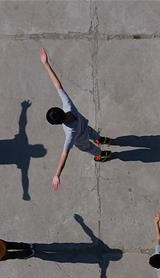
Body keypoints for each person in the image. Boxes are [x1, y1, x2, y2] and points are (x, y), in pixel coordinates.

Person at [39, 47, 111, 192]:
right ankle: (100, 139)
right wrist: (46, 64)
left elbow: (64, 154)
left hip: (81, 140)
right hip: (87, 128)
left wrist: (57, 174)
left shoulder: (69, 133)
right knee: (94, 134)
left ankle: (101, 155)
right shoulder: (68, 106)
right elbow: (57, 84)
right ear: (60, 109)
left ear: (57, 123)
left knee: (91, 149)